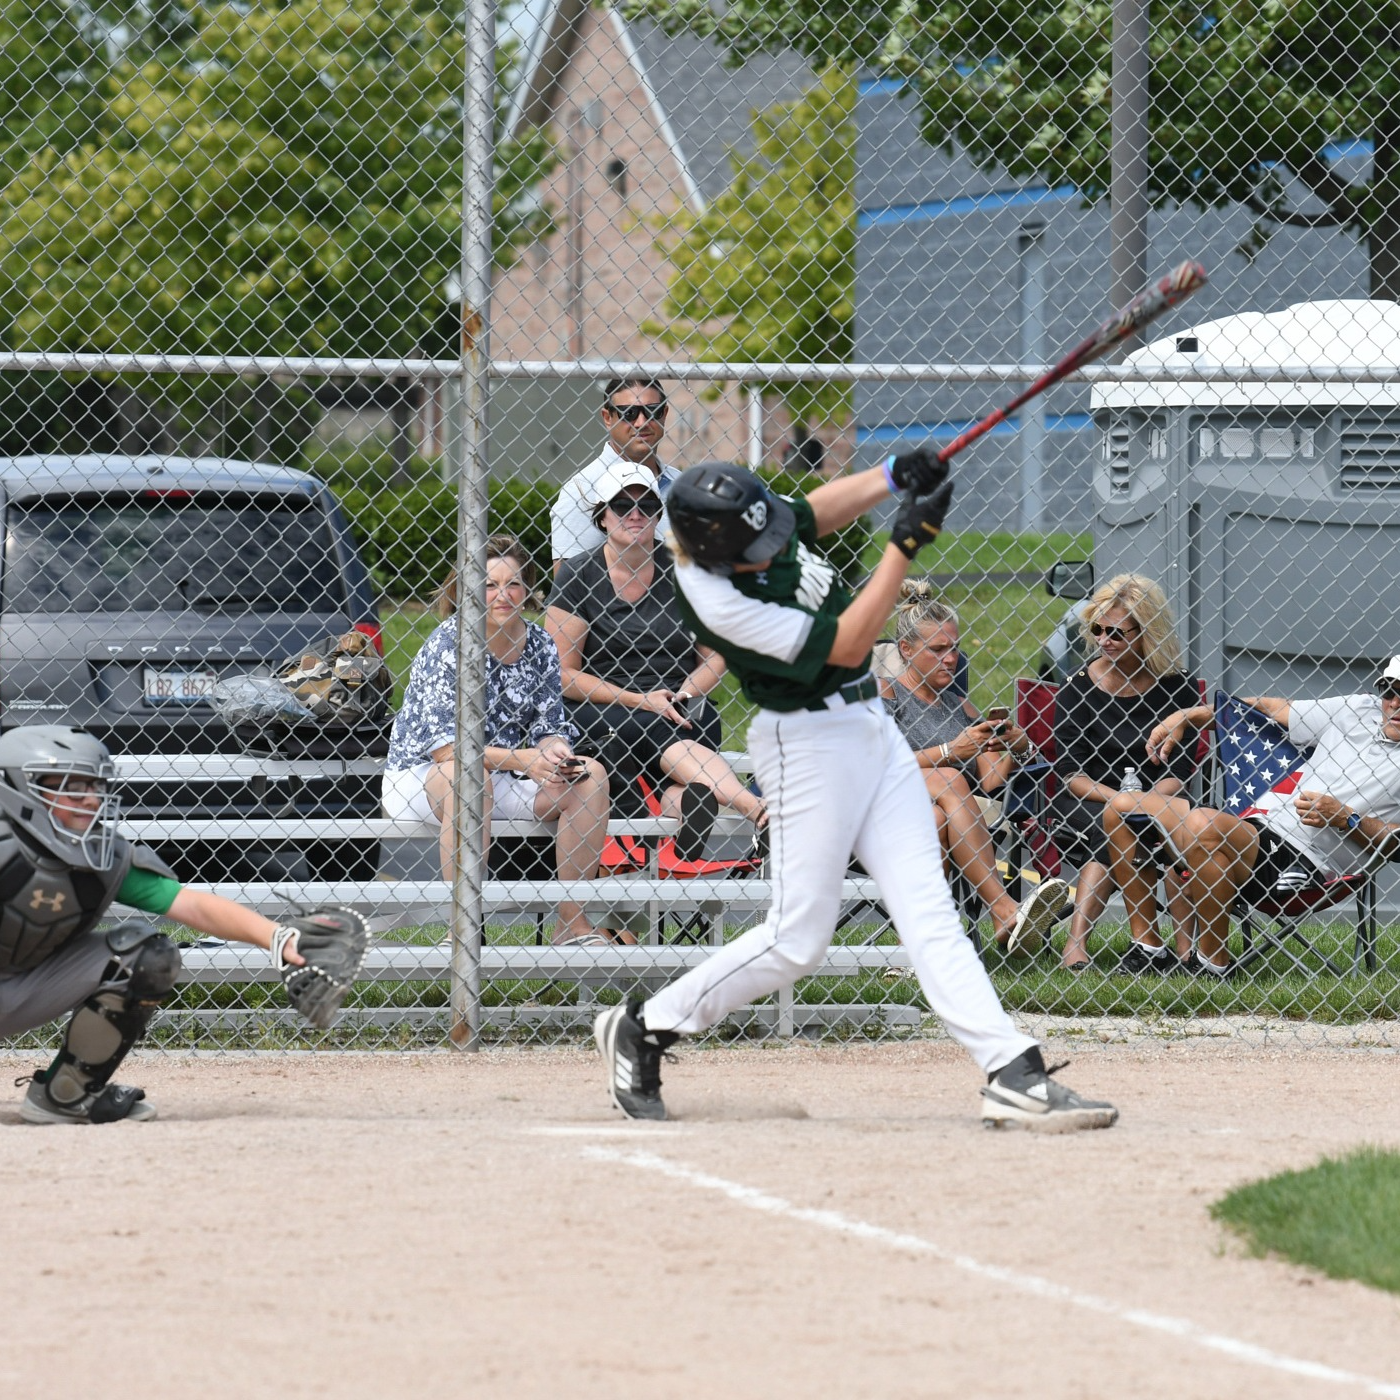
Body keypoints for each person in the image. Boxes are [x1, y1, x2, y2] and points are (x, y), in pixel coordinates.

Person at [591, 454, 1117, 1131]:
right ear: (716, 552)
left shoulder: (746, 526)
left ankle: (1014, 1072)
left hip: (870, 728)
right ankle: (644, 1027)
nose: (777, 543)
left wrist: (895, 474)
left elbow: (811, 512)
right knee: (796, 941)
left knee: (929, 914)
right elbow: (847, 642)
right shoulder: (720, 602)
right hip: (809, 748)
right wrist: (903, 546)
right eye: (759, 544)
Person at [0, 725, 349, 1124]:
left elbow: (193, 906)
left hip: (25, 988)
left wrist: (275, 936)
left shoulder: (102, 858)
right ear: (18, 788)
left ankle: (66, 1094)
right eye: (72, 789)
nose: (91, 801)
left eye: (96, 788)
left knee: (147, 955)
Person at [383, 536, 613, 946]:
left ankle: (572, 924)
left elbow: (549, 724)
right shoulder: (447, 643)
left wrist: (555, 750)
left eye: (513, 584)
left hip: (501, 773)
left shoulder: (540, 643)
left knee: (589, 775)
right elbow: (446, 749)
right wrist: (524, 761)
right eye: (490, 585)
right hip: (425, 776)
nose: (503, 595)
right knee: (468, 780)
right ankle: (464, 930)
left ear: (527, 590)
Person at [1119, 656, 1400, 977]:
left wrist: (1347, 819)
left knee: (1204, 827)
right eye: (1388, 691)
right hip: (1256, 830)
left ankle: (1213, 964)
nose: (1394, 703)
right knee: (1125, 807)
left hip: (1305, 865)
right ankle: (1150, 949)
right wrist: (1188, 715)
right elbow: (1268, 709)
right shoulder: (1359, 708)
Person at [546, 460, 766, 862]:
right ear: (601, 516)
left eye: (646, 504)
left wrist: (683, 694)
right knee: (652, 724)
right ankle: (753, 807)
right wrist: (642, 699)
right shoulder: (577, 576)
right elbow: (561, 674)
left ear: (659, 514)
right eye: (621, 505)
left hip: (678, 708)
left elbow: (716, 656)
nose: (635, 514)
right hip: (603, 710)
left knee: (682, 732)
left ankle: (684, 807)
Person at [881, 582, 1070, 952]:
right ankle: (1002, 909)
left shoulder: (961, 707)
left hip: (941, 817)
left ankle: (914, 950)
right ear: (906, 649)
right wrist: (951, 750)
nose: (950, 659)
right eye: (937, 649)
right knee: (948, 777)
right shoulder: (885, 692)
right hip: (884, 805)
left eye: (953, 648)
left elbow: (990, 780)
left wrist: (1013, 747)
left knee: (937, 818)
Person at [1050, 575, 1202, 973]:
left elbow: (1180, 768)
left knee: (1181, 828)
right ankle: (1078, 945)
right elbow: (1070, 772)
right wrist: (1122, 800)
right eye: (1097, 629)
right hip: (1089, 797)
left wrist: (1149, 802)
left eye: (1116, 632)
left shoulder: (1177, 687)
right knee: (1114, 825)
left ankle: (1187, 953)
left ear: (1146, 632)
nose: (1103, 640)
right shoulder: (1077, 687)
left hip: (1160, 795)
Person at [551, 376, 682, 570]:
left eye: (652, 411)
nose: (641, 422)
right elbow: (570, 587)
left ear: (664, 414)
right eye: (629, 413)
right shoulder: (581, 490)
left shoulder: (682, 485)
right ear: (607, 418)